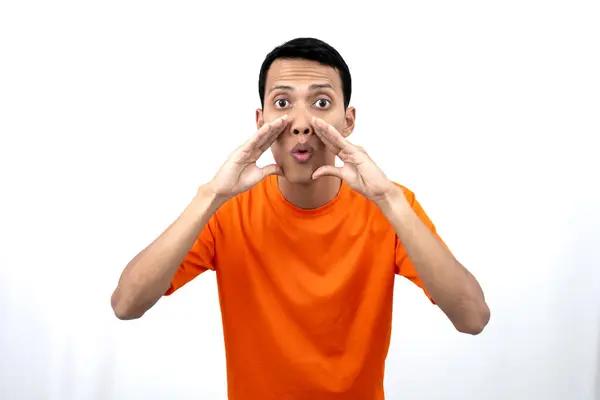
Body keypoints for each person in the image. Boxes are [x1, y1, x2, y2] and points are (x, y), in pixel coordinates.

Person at [111, 37, 490, 399]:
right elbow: (126, 304)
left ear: (349, 121)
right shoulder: (226, 208)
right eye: (282, 102)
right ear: (261, 120)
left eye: (322, 102)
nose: (301, 121)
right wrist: (211, 195)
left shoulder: (391, 205)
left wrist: (388, 199)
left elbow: (472, 317)